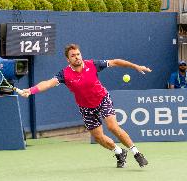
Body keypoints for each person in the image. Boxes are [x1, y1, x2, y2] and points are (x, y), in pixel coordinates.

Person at [20, 44, 151, 168]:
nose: (77, 57)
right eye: (73, 55)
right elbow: (48, 83)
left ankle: (137, 153)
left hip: (102, 99)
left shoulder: (92, 64)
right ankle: (118, 152)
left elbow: (115, 62)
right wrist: (31, 90)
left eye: (78, 54)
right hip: (86, 108)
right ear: (68, 59)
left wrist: (135, 66)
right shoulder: (64, 74)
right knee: (98, 137)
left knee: (112, 127)